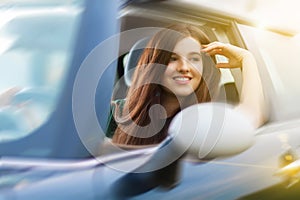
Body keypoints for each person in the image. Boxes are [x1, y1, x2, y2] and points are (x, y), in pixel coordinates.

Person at [107, 23, 266, 147]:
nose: (184, 67)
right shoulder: (118, 112)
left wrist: (247, 58)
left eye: (194, 59)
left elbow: (249, 119)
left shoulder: (205, 119)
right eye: (172, 58)